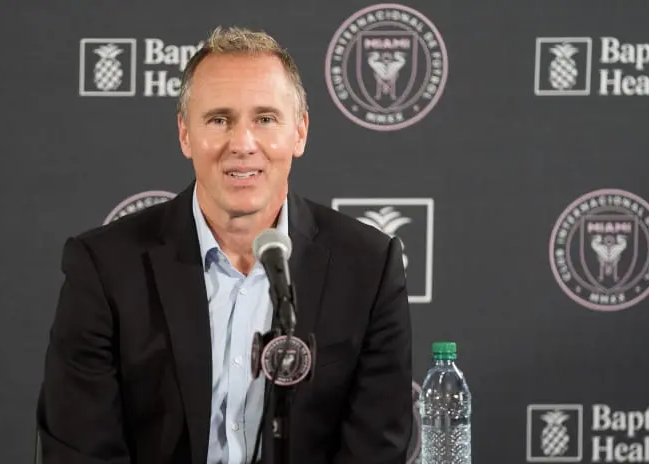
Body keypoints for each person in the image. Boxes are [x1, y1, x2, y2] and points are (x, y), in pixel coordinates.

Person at [36, 26, 413, 464]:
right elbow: (80, 449)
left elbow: (375, 449)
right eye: (219, 120)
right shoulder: (104, 268)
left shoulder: (368, 267)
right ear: (185, 134)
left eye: (265, 119)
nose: (243, 144)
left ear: (300, 132)